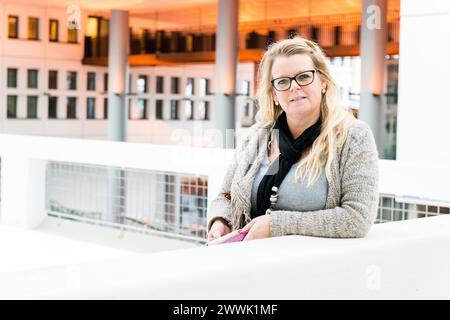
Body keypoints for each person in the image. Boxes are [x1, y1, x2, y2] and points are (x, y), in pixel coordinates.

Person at [207, 36, 379, 243]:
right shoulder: (256, 136)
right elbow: (226, 195)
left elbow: (357, 219)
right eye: (283, 81)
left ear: (323, 81)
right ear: (273, 94)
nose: (294, 87)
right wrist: (220, 221)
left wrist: (275, 225)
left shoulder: (354, 136)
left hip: (312, 269)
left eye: (304, 77)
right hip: (251, 264)